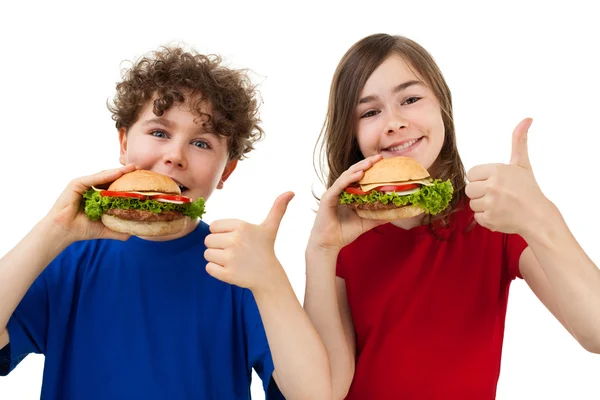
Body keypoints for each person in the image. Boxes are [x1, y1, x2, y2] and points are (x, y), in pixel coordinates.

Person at [0, 45, 330, 399]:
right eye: (159, 133)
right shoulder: (68, 256)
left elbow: (312, 394)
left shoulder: (237, 265)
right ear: (124, 143)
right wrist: (53, 229)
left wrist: (271, 281)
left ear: (226, 171)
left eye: (201, 143)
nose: (175, 156)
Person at [304, 33, 600, 400]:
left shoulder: (493, 219)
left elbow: (596, 332)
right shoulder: (343, 240)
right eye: (369, 112)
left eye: (410, 99)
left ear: (442, 106)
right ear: (351, 135)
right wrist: (319, 251)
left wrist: (540, 216)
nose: (394, 123)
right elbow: (323, 391)